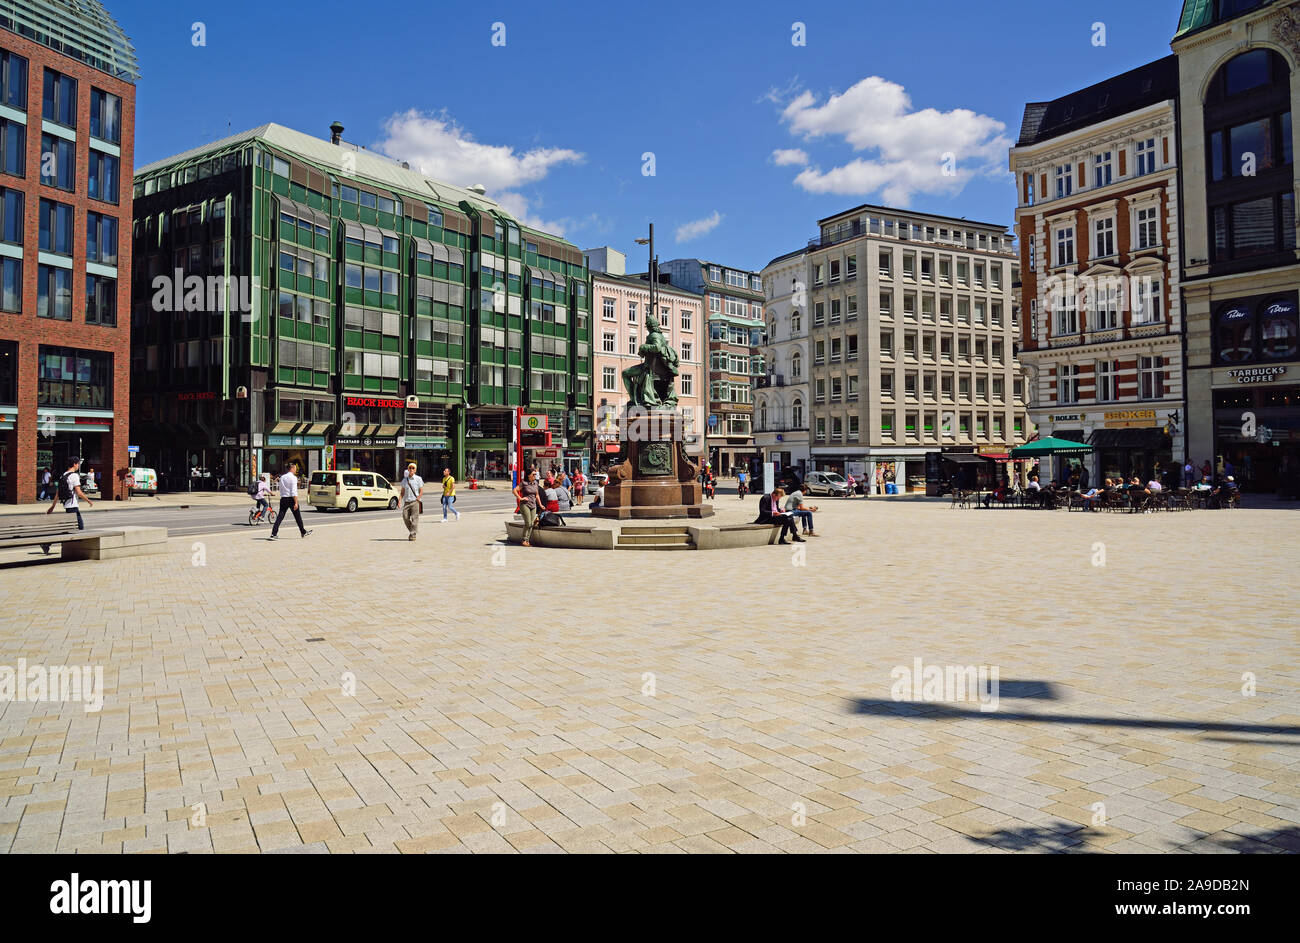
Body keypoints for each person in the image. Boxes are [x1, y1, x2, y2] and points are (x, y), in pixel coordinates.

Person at [268, 461, 312, 540]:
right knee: (297, 517)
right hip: (291, 499)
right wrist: (295, 502)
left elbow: (280, 489)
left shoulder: (282, 477)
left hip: (283, 498)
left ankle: (273, 534)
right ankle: (303, 532)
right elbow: (293, 491)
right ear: (292, 468)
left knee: (280, 517)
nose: (296, 469)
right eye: (295, 468)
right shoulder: (293, 478)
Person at [46, 456, 92, 530]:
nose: (78, 466)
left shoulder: (63, 475)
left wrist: (53, 506)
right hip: (73, 505)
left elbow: (58, 492)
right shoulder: (74, 476)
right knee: (80, 527)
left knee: (73, 527)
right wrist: (88, 500)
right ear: (74, 464)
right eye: (78, 464)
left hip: (67, 505)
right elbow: (79, 492)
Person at [513, 469, 543, 547]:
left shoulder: (536, 483)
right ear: (528, 475)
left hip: (533, 505)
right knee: (528, 523)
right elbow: (514, 490)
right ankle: (524, 539)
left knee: (531, 524)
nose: (535, 476)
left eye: (535, 474)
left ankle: (527, 540)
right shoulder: (524, 483)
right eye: (533, 474)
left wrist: (540, 505)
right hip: (525, 504)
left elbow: (537, 495)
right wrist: (520, 498)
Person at [398, 463, 424, 540]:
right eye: (410, 468)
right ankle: (413, 531)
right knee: (405, 517)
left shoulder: (418, 479)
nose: (411, 469)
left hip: (415, 501)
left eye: (413, 468)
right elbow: (402, 492)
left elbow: (421, 491)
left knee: (414, 519)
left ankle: (413, 535)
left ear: (415, 470)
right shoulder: (404, 480)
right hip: (406, 502)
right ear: (408, 469)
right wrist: (399, 501)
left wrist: (418, 499)